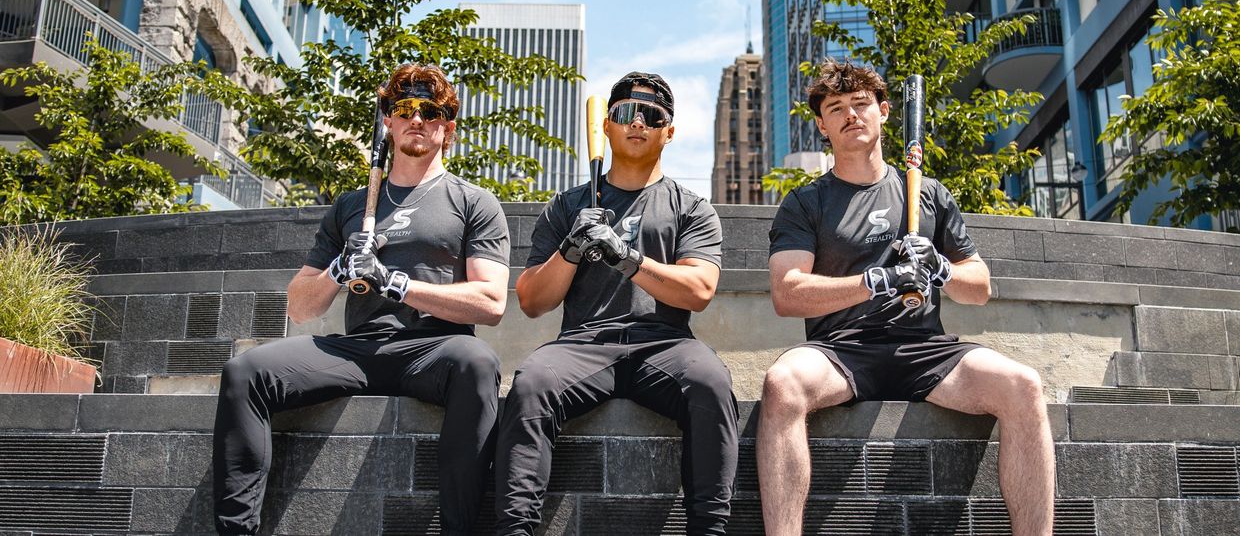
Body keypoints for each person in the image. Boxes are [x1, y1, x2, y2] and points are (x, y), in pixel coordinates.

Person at [758, 60, 1055, 536]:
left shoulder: (928, 194)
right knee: (782, 383)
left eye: (861, 103)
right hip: (841, 350)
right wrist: (878, 280)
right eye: (836, 108)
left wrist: (940, 269)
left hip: (924, 349)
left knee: (1023, 385)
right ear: (822, 126)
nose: (851, 115)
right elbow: (787, 292)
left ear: (884, 111)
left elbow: (979, 287)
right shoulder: (806, 202)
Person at [212, 63, 510, 535]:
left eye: (430, 111)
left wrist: (395, 283)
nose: (417, 118)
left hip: (434, 348)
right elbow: (301, 307)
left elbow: (491, 303)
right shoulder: (351, 206)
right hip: (359, 349)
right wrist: (339, 268)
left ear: (447, 128)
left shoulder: (473, 201)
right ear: (388, 121)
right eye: (404, 109)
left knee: (478, 363)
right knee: (245, 372)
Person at [494, 72, 738, 536]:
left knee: (711, 383)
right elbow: (531, 301)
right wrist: (571, 248)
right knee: (532, 383)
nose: (638, 122)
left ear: (669, 132)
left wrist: (625, 256)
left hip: (665, 344)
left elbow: (698, 291)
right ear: (606, 126)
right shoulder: (567, 206)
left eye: (653, 116)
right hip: (583, 344)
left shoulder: (691, 207)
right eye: (626, 112)